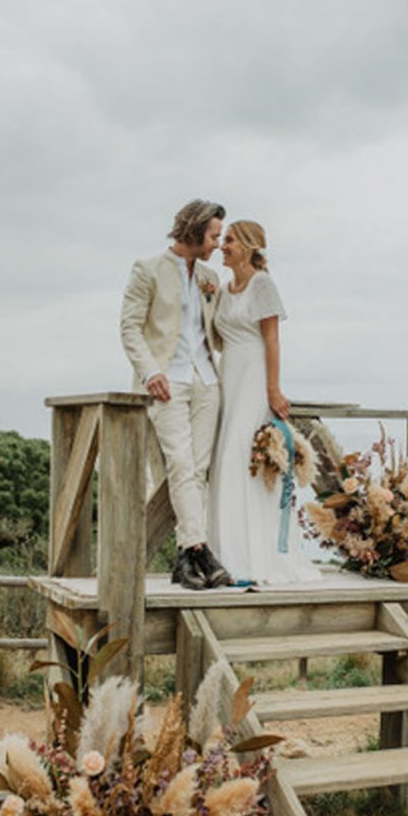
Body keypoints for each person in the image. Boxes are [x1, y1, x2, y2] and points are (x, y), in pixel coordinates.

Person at [120, 200, 233, 590]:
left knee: (198, 470)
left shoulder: (210, 277)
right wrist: (151, 371)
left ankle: (188, 558)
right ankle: (199, 551)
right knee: (181, 465)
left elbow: (219, 330)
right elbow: (130, 328)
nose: (218, 243)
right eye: (215, 236)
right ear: (196, 230)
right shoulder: (147, 269)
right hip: (167, 381)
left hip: (207, 381)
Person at [208, 221, 321, 585]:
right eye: (222, 240)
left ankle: (254, 557)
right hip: (229, 375)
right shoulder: (223, 289)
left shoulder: (262, 284)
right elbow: (219, 338)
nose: (222, 246)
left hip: (255, 376)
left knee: (243, 459)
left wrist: (274, 389)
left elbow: (272, 340)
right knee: (224, 460)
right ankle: (223, 554)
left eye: (229, 240)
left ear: (249, 246)